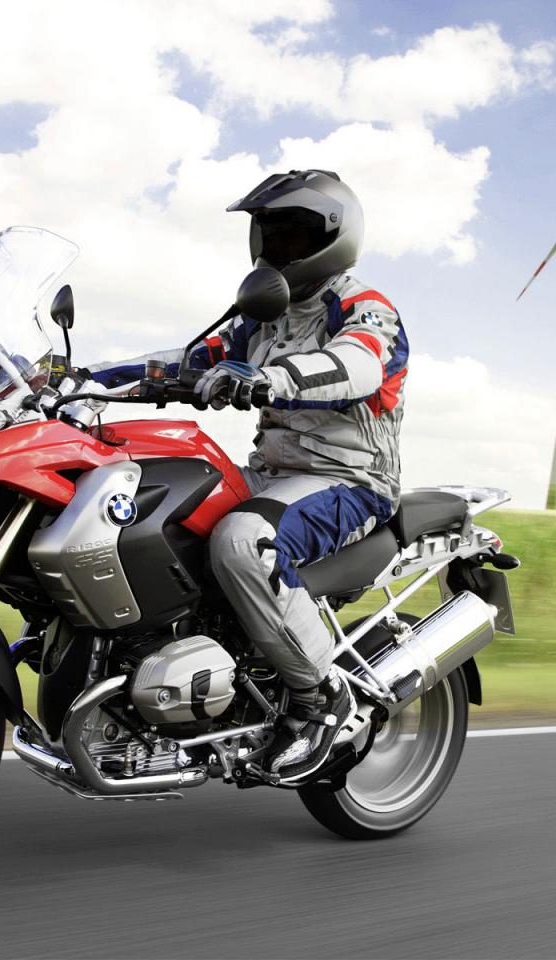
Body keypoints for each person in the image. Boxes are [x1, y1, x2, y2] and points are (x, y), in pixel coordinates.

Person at [90, 169, 409, 780]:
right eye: (269, 233)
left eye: (294, 234)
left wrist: (269, 378)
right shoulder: (260, 320)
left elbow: (358, 365)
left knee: (242, 539)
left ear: (335, 236)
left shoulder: (364, 307)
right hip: (272, 474)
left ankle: (322, 699)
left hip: (350, 479)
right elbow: (185, 361)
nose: (276, 247)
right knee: (152, 506)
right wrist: (83, 377)